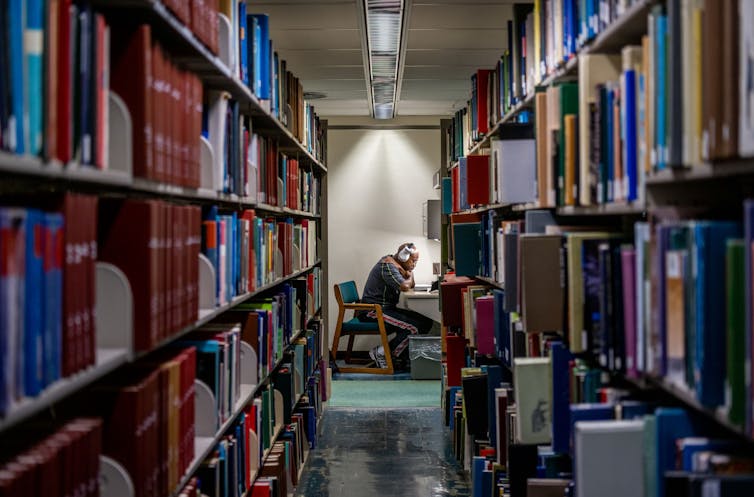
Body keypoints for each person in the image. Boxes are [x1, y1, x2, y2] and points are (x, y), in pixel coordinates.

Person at [358, 242, 434, 371]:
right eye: (413, 261)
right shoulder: (388, 266)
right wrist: (409, 274)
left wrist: (409, 272)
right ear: (403, 257)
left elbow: (411, 284)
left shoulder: (397, 265)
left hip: (386, 308)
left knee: (425, 321)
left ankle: (398, 356)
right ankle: (382, 352)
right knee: (413, 328)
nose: (414, 265)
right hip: (373, 310)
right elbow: (405, 287)